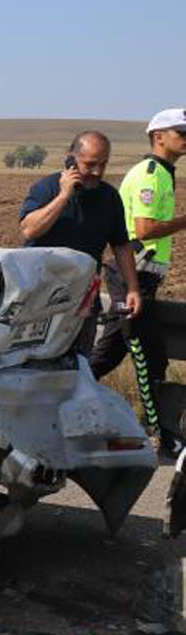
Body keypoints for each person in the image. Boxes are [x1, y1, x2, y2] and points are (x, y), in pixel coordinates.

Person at [102, 109, 186, 459]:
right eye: (179, 131)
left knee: (112, 352)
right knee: (147, 354)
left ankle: (60, 402)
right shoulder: (152, 174)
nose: (185, 136)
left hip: (139, 274)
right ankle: (160, 436)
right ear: (158, 137)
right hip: (133, 274)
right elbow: (146, 228)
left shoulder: (163, 173)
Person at [19, 130, 142, 363]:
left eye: (103, 165)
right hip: (40, 300)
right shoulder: (46, 189)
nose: (97, 172)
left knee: (78, 365)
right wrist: (64, 196)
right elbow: (29, 230)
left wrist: (133, 288)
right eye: (90, 164)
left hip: (83, 303)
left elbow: (121, 246)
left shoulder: (109, 198)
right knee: (32, 366)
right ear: (71, 159)